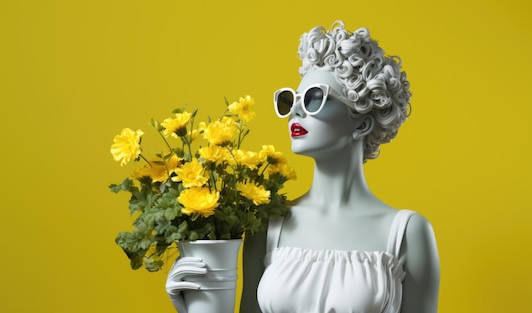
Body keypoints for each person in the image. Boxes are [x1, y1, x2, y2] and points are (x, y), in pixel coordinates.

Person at [168, 21, 440, 313]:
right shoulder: (267, 225)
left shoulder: (407, 233)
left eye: (314, 98)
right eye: (291, 100)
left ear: (362, 122)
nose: (295, 111)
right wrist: (197, 307)